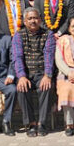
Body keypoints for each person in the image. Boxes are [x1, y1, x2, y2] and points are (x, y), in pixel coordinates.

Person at [12, 7, 56, 137]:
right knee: (21, 88)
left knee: (47, 87)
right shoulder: (18, 35)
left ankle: (42, 123)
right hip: (26, 73)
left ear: (40, 20)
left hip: (42, 72)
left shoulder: (48, 34)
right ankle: (31, 123)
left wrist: (47, 75)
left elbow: (49, 55)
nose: (33, 21)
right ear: (25, 21)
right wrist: (21, 76)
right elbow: (17, 57)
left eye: (35, 18)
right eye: (30, 18)